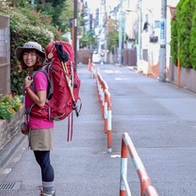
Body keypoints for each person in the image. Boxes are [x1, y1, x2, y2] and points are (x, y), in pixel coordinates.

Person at [15, 41, 55, 196]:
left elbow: (41, 101)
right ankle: (48, 191)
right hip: (37, 125)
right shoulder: (32, 74)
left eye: (32, 54)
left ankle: (48, 193)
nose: (28, 57)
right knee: (42, 161)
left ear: (38, 57)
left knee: (44, 163)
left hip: (41, 126)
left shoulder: (38, 76)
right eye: (26, 54)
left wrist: (26, 88)